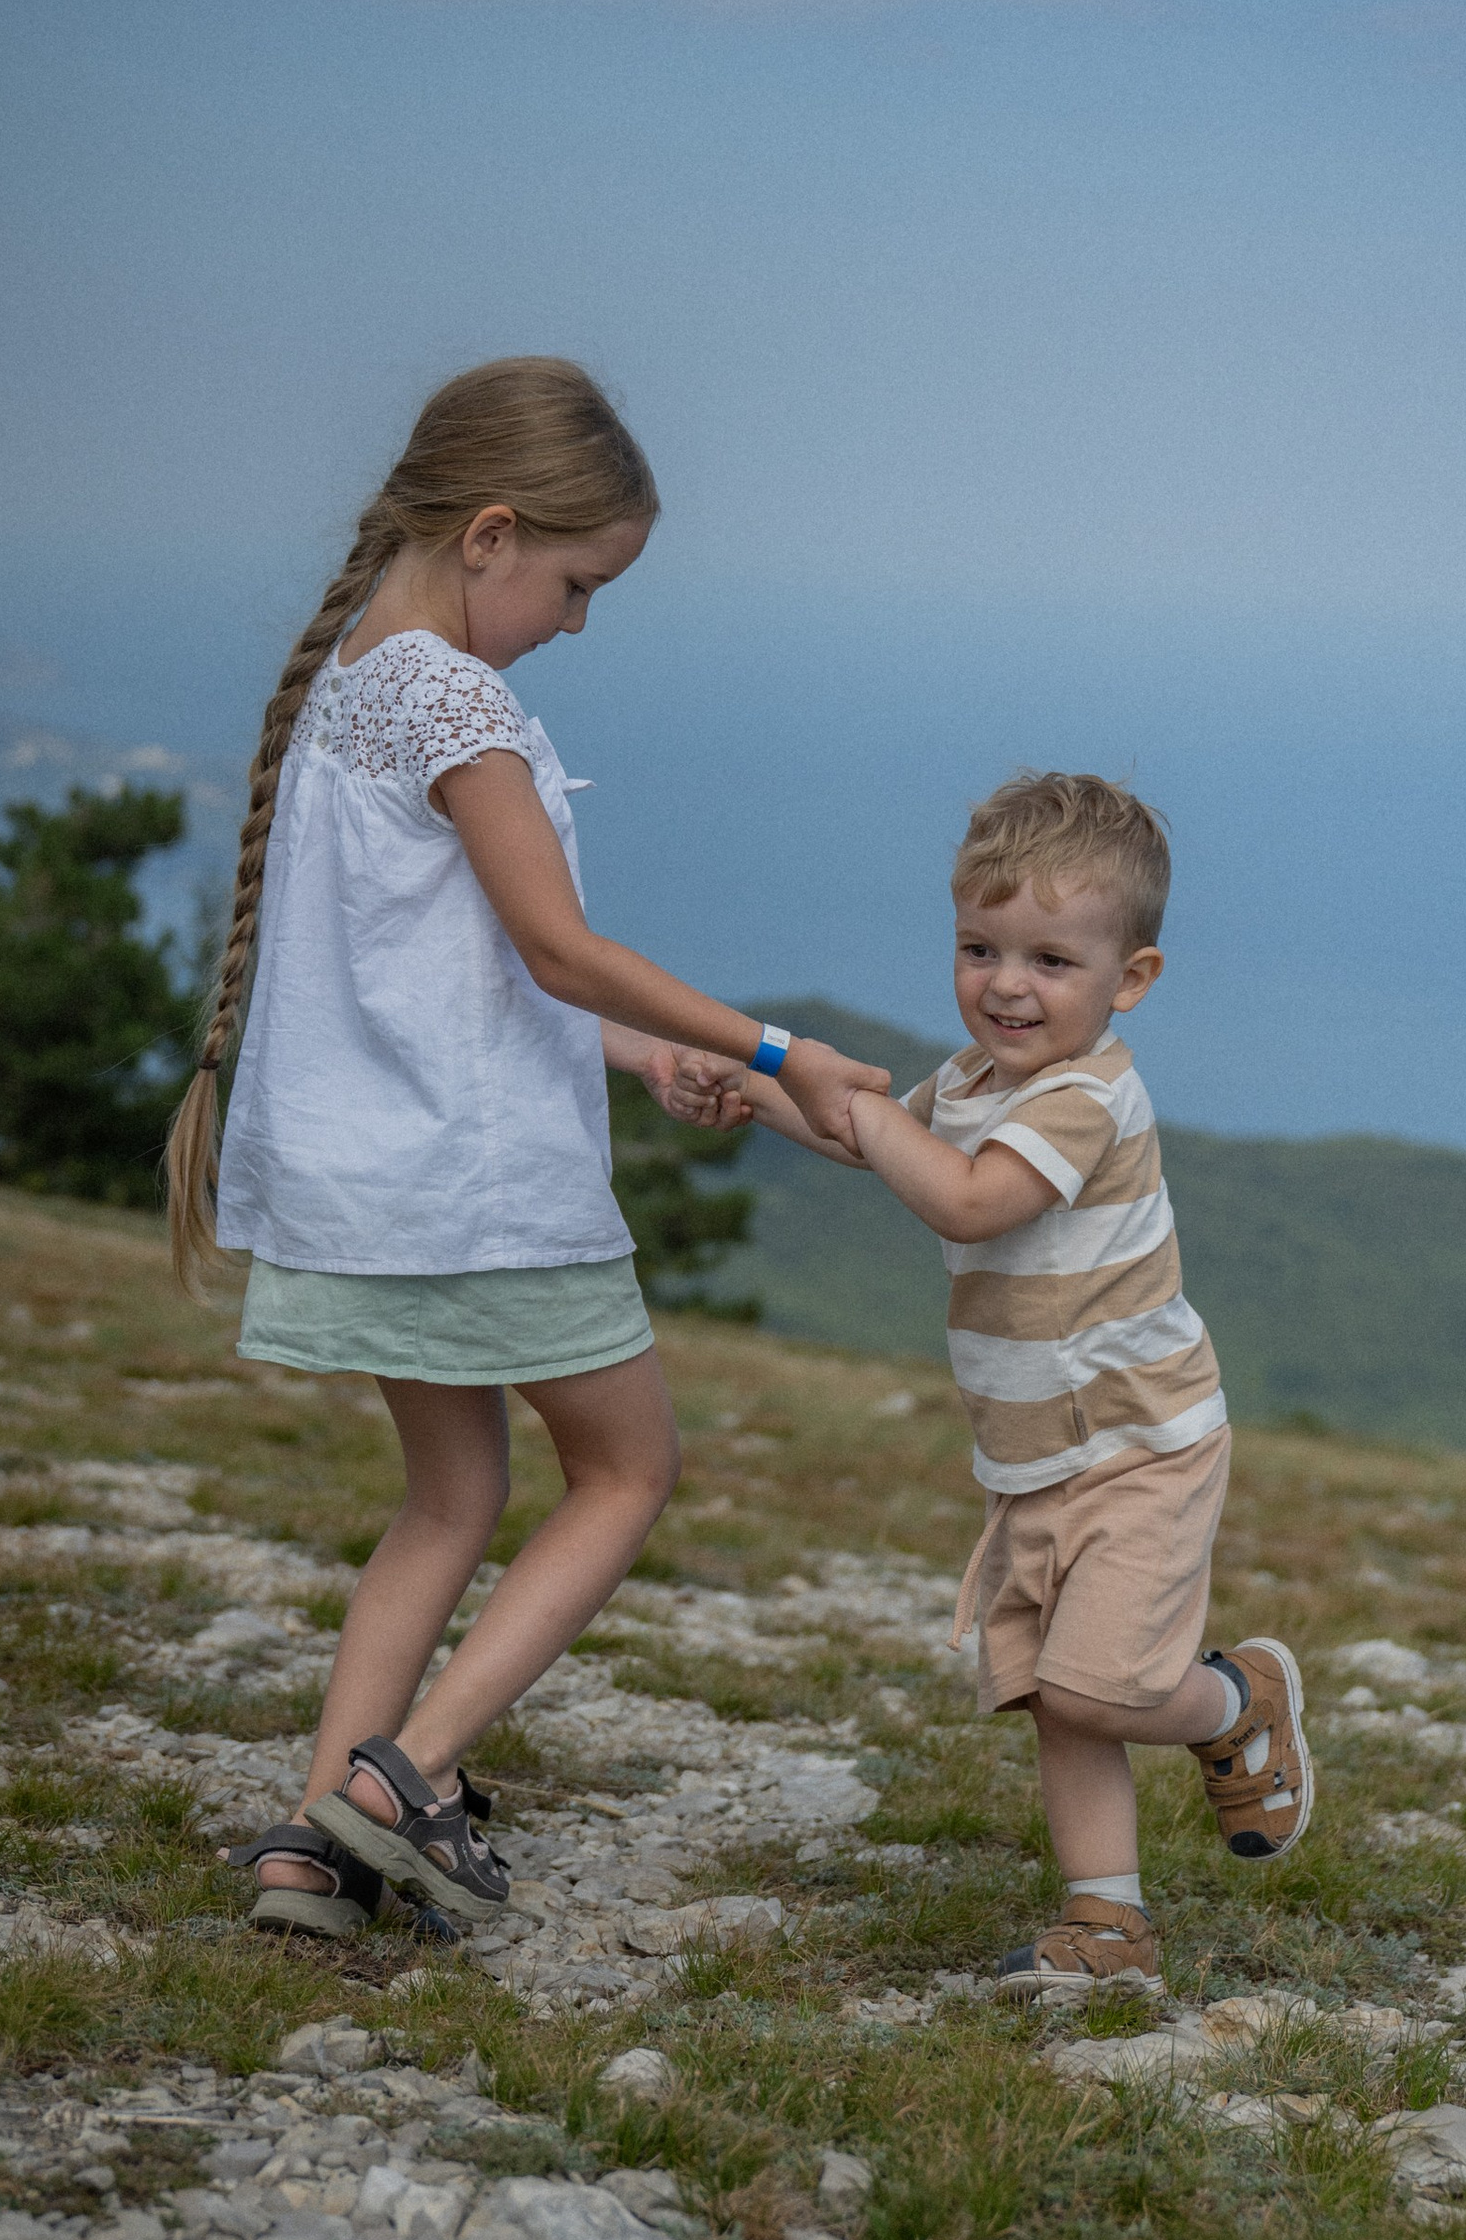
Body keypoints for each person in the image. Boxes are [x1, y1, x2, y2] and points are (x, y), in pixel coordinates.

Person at [164, 356, 884, 1946]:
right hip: (480, 1196)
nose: (577, 622)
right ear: (491, 533)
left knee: (449, 1500)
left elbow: (458, 969)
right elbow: (558, 948)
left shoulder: (354, 678)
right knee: (628, 1469)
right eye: (576, 584)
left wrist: (651, 1055)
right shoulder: (454, 699)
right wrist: (780, 1050)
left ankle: (311, 1851)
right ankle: (398, 1783)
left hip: (371, 1188)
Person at [711, 771, 1312, 1997]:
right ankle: (1107, 1923)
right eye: (978, 948)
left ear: (1129, 979)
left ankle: (1233, 1701)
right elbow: (866, 1137)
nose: (1005, 985)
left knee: (1102, 1688)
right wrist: (755, 1093)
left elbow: (968, 1198)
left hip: (1140, 1446)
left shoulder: (1087, 1099)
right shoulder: (974, 1084)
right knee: (1054, 1696)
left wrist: (858, 1104)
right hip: (1034, 1456)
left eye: (1049, 959)